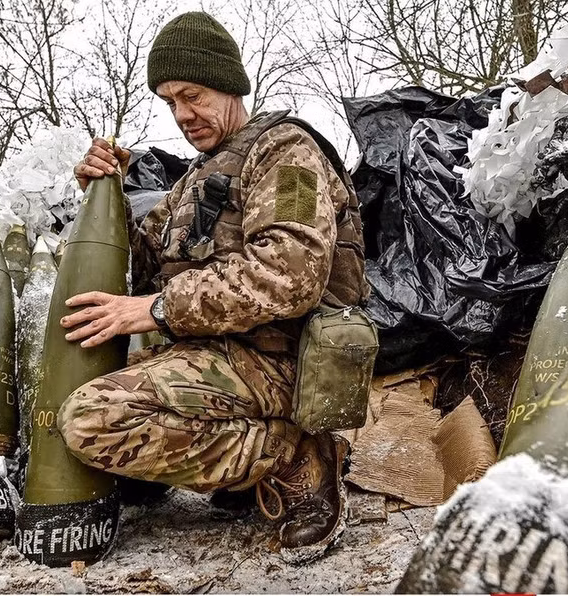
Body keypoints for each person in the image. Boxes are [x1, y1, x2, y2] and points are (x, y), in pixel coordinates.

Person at [58, 11, 368, 562]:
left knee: (93, 420)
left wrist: (155, 310)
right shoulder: (194, 181)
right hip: (219, 356)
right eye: (169, 101)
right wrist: (102, 197)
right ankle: (246, 469)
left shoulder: (286, 154)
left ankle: (294, 456)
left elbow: (289, 274)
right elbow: (140, 269)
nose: (182, 114)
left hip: (283, 359)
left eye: (192, 94)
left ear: (229, 84)